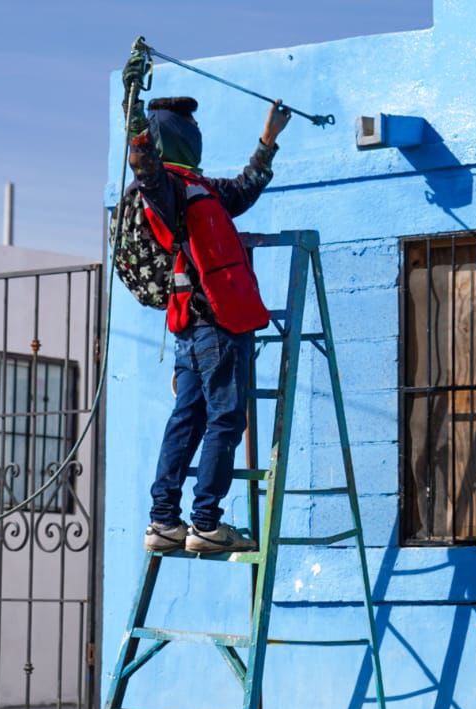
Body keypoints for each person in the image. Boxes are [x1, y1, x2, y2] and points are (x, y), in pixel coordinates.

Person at [120, 47, 293, 554]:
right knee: (226, 420)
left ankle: (165, 521)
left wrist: (268, 141)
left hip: (193, 329)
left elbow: (244, 189)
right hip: (215, 325)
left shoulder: (199, 188)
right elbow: (142, 160)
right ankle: (205, 522)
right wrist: (132, 107)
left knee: (188, 419)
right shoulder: (165, 188)